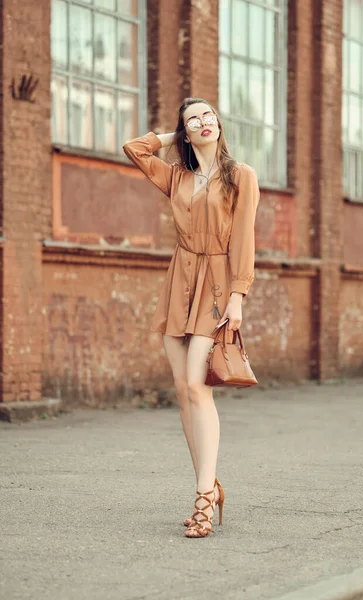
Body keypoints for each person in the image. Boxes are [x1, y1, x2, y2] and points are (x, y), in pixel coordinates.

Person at [123, 97, 260, 538]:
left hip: (218, 284)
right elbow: (133, 149)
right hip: (179, 281)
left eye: (208, 116)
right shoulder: (177, 176)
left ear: (219, 124)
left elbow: (243, 238)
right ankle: (210, 485)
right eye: (192, 120)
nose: (203, 123)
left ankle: (203, 497)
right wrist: (171, 135)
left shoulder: (241, 176)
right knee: (183, 390)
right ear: (185, 131)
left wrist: (238, 297)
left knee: (200, 388)